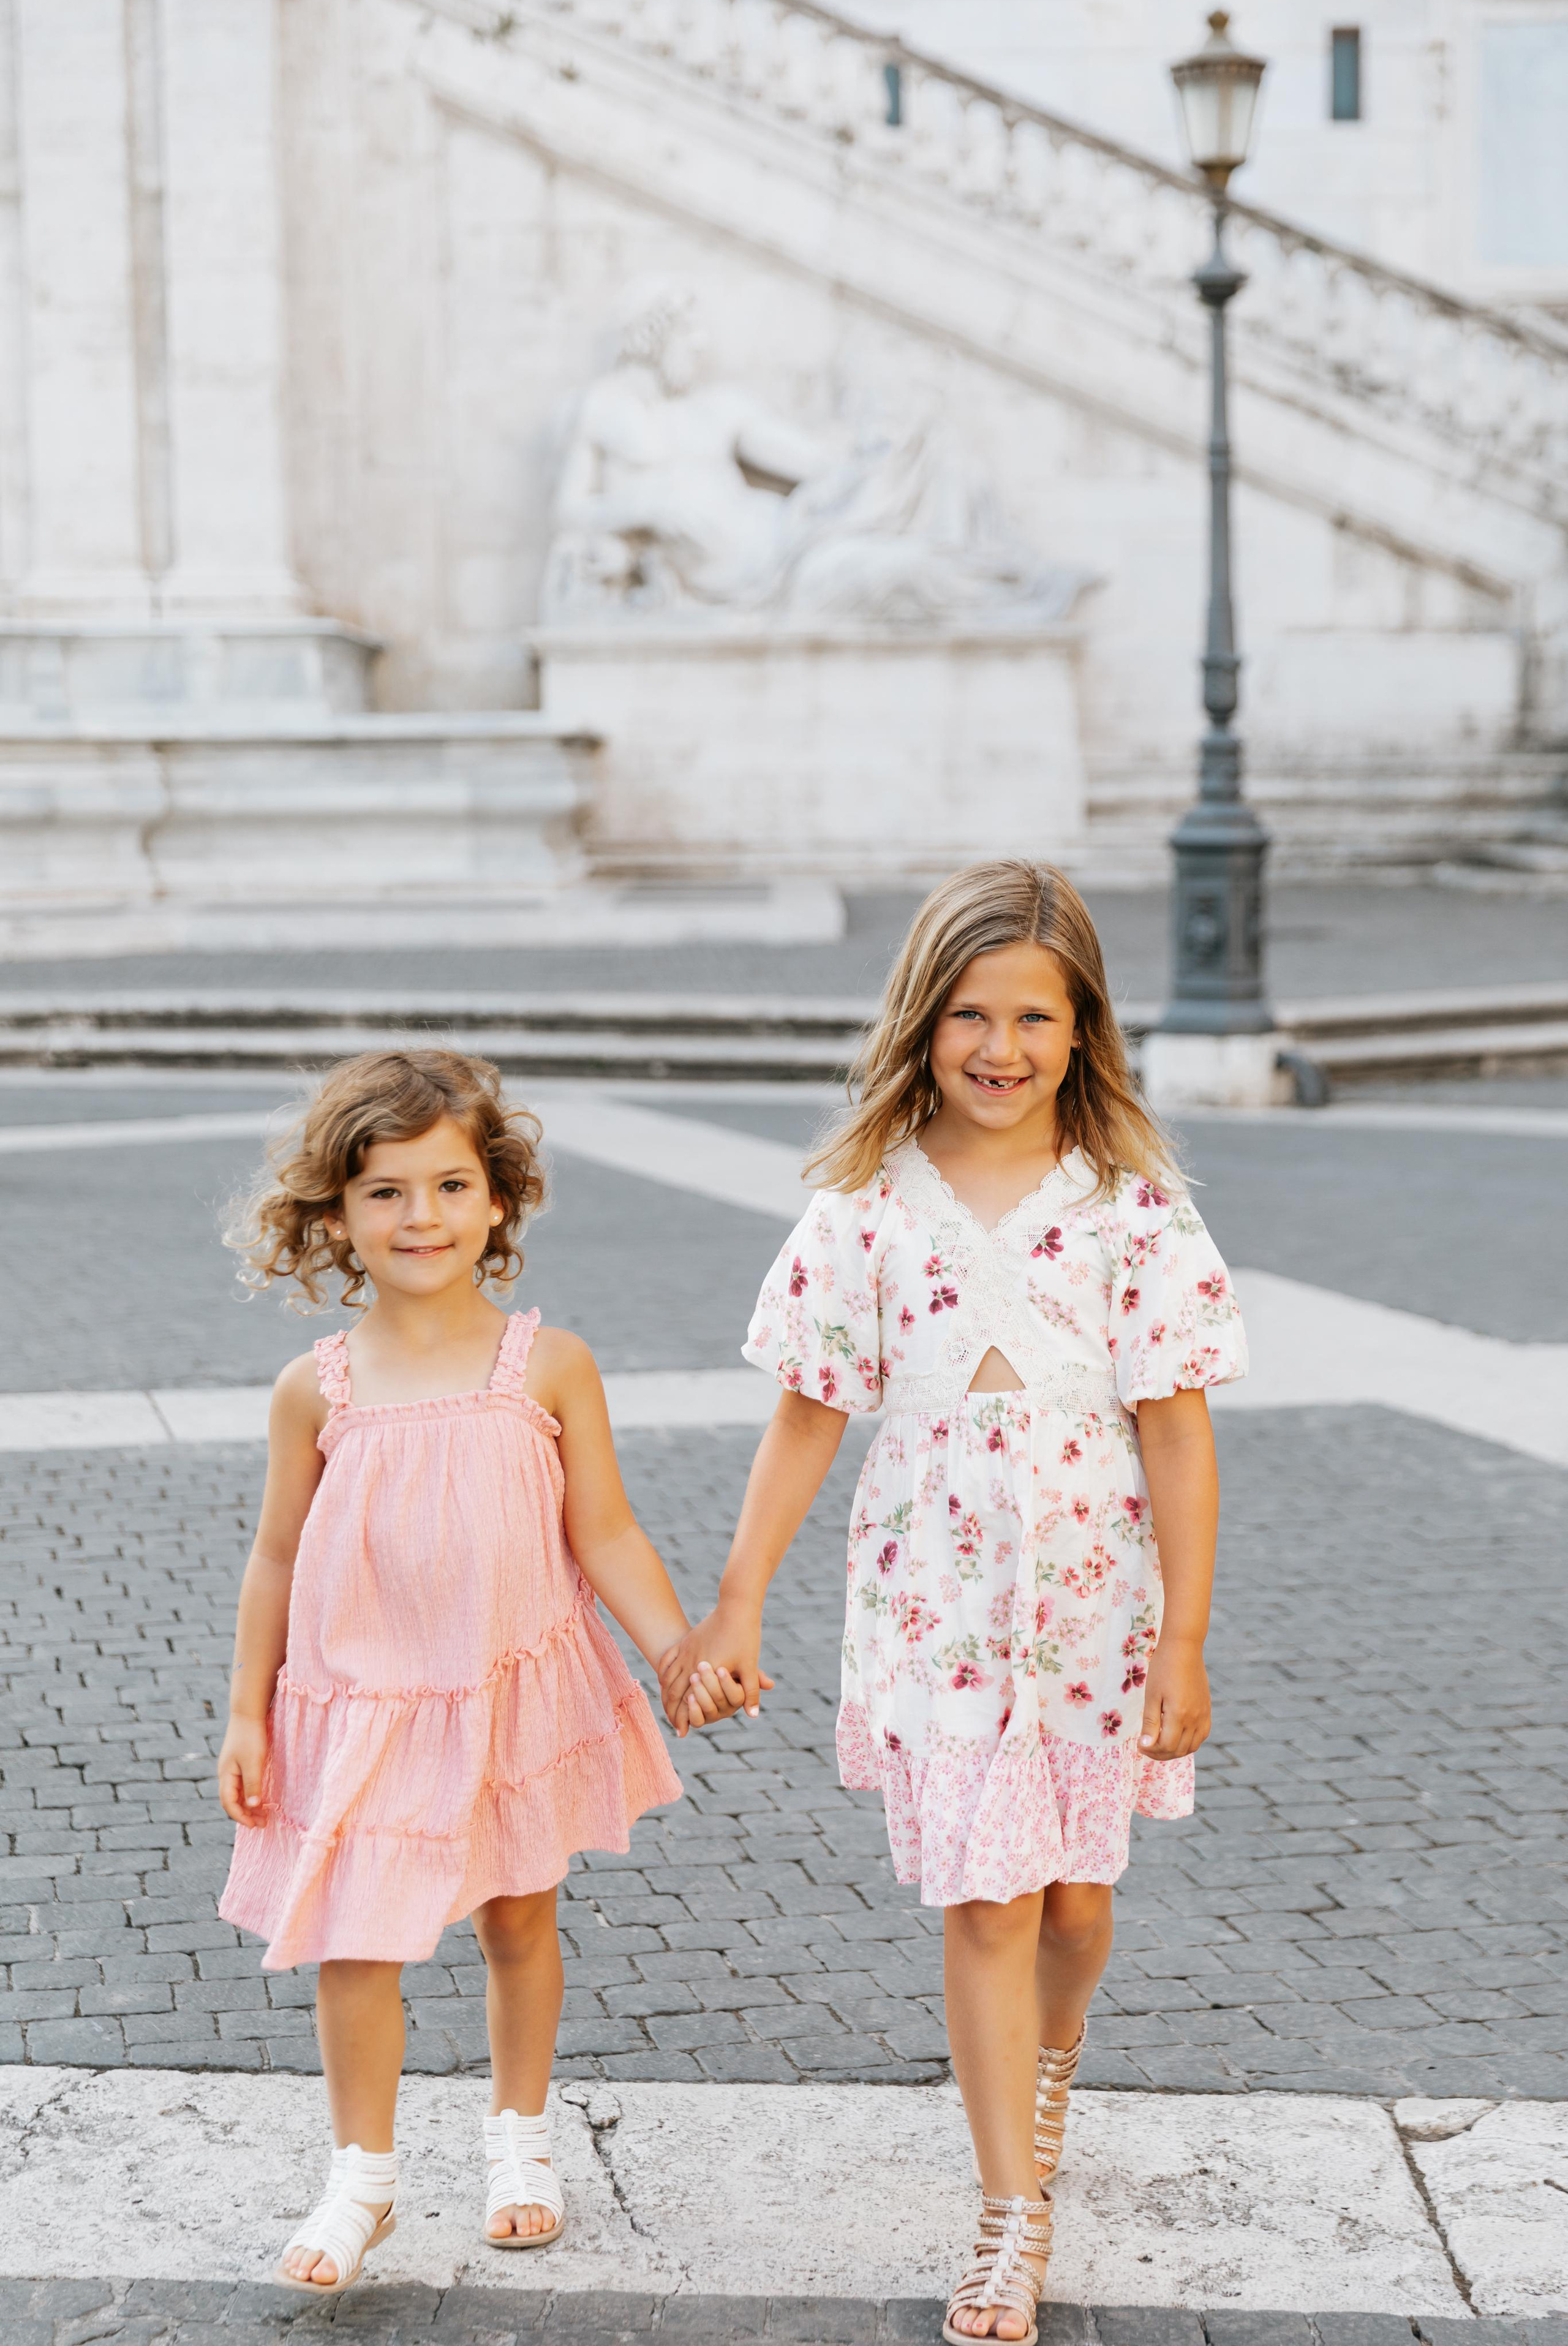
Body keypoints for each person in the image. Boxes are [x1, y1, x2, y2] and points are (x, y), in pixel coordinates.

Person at [661, 862, 1246, 2346]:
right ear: (922, 1022)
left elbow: (1175, 1430)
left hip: (1092, 1598)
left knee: (1073, 1899)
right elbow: (806, 1416)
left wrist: (1182, 1634)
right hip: (931, 1598)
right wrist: (732, 1610)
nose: (1000, 1048)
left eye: (1033, 1017)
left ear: (1081, 1029)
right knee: (983, 1899)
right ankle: (1006, 2215)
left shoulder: (1130, 1206)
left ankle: (1053, 2061)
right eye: (969, 1015)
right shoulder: (863, 1207)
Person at [216, 1049, 741, 2297]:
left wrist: (674, 1646)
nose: (421, 1219)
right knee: (353, 1946)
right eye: (386, 1193)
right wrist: (245, 1711)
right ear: (335, 1216)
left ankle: (520, 2143)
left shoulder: (545, 1366)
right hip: (366, 1707)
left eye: (449, 1187)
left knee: (519, 1919)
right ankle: (363, 2179)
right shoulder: (316, 1388)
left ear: (497, 1198)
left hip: (505, 1687)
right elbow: (276, 1554)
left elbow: (603, 1529)